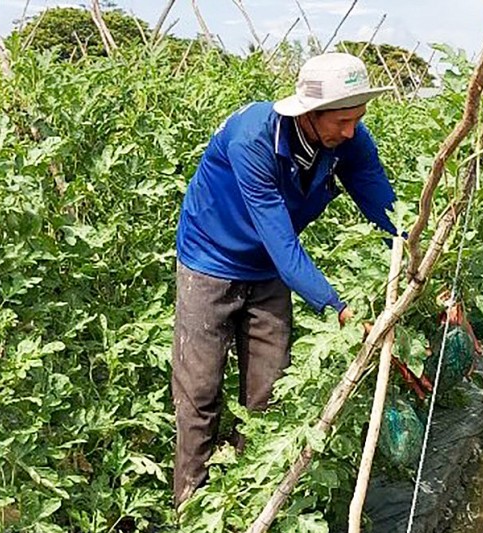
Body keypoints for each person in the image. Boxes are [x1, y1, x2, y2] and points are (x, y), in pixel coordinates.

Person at [171, 52, 401, 507]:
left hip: (271, 270)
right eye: (341, 120)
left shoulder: (348, 142)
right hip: (210, 262)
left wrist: (414, 248)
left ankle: (245, 500)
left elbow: (386, 207)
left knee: (269, 392)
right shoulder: (254, 139)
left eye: (359, 118)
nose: (351, 130)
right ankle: (191, 511)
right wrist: (339, 308)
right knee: (199, 394)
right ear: (310, 115)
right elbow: (281, 243)